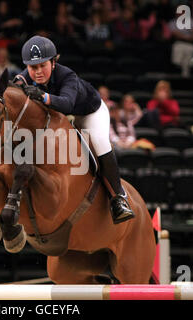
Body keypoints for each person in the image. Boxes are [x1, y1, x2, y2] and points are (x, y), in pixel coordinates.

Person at [14, 35, 134, 224]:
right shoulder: (28, 73)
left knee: (99, 141)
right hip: (62, 117)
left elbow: (68, 104)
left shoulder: (67, 75)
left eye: (42, 66)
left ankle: (119, 198)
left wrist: (43, 96)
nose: (37, 72)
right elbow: (18, 81)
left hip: (89, 113)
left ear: (54, 62)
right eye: (32, 67)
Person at [168, 11, 193, 77]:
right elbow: (176, 34)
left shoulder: (192, 22)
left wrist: (189, 38)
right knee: (178, 50)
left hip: (190, 44)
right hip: (178, 43)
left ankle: (186, 76)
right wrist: (188, 37)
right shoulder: (172, 22)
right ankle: (178, 73)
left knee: (190, 50)